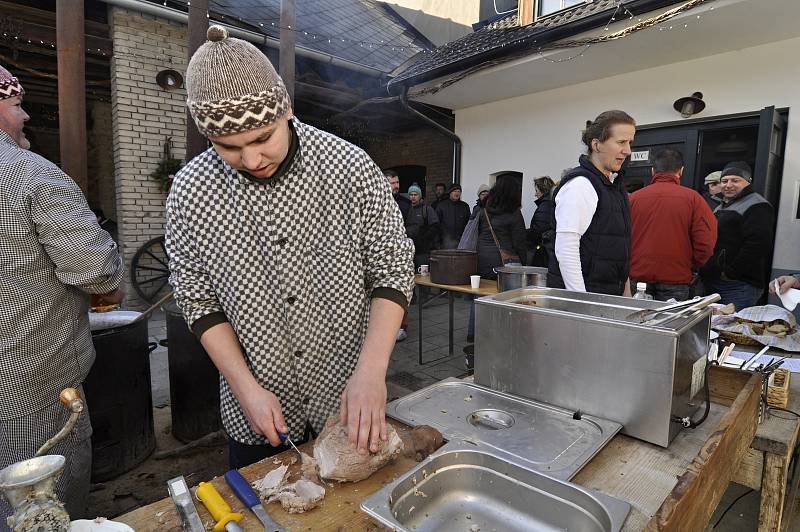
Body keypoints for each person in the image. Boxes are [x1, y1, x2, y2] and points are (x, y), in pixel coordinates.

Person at [166, 27, 414, 468]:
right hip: (257, 405)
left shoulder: (350, 168)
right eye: (229, 147)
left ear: (288, 111)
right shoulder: (190, 191)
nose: (252, 160)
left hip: (347, 398)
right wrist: (246, 388)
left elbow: (392, 270)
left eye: (263, 138)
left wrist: (372, 373)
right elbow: (197, 299)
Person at [0, 64, 125, 522]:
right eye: (15, 105)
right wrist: (110, 283)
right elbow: (99, 274)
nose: (25, 117)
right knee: (42, 513)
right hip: (28, 395)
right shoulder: (30, 176)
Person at [547, 110, 636, 296]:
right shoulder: (580, 185)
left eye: (630, 143)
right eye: (621, 142)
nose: (628, 151)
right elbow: (566, 250)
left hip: (605, 297)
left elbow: (619, 245)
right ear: (596, 144)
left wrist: (625, 290)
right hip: (584, 302)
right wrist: (582, 303)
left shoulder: (614, 184)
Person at [629, 148, 717, 301]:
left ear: (652, 171)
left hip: (638, 276)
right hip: (676, 277)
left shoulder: (633, 199)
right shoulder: (694, 199)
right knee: (671, 324)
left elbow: (619, 237)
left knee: (636, 322)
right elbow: (706, 243)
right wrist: (692, 265)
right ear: (681, 171)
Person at [701, 161, 774, 310]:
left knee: (730, 329)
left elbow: (757, 244)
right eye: (724, 181)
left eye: (735, 180)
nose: (728, 185)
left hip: (739, 285)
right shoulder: (722, 206)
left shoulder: (758, 205)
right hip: (717, 281)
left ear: (748, 182)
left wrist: (731, 272)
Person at [476, 174, 528, 278]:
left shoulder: (484, 210)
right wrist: (523, 262)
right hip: (504, 261)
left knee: (483, 291)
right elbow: (519, 242)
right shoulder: (514, 213)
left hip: (482, 257)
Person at [385, 169, 410, 342]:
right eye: (392, 183)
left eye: (397, 182)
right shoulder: (376, 200)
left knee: (400, 289)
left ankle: (401, 326)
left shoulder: (405, 203)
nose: (396, 186)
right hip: (382, 251)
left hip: (401, 251)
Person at [404, 183, 440, 268]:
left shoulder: (427, 209)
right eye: (411, 195)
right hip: (409, 250)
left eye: (415, 194)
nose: (413, 197)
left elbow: (435, 226)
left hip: (423, 251)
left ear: (420, 196)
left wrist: (424, 239)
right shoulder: (407, 210)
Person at [527, 176, 556, 267]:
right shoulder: (550, 203)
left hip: (542, 250)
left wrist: (523, 233)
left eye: (536, 191)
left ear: (543, 190)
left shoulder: (545, 206)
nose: (535, 195)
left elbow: (538, 231)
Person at [435, 183, 470, 249]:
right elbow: (436, 225)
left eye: (459, 191)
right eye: (454, 191)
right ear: (450, 192)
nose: (457, 193)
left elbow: (468, 225)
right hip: (444, 243)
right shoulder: (441, 206)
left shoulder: (465, 206)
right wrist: (437, 243)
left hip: (461, 243)